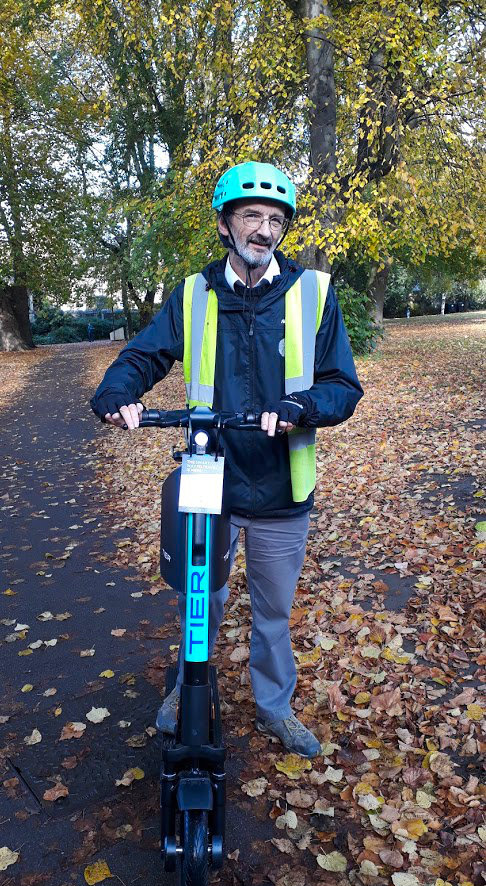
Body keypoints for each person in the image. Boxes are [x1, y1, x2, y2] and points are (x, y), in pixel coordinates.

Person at [90, 162, 364, 757]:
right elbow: (144, 355)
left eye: (275, 219)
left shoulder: (313, 292)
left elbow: (344, 385)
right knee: (200, 599)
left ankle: (274, 707)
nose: (264, 230)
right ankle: (191, 690)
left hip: (280, 486)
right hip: (207, 478)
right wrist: (118, 391)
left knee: (271, 613)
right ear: (224, 224)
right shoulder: (193, 293)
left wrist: (304, 404)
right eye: (251, 217)